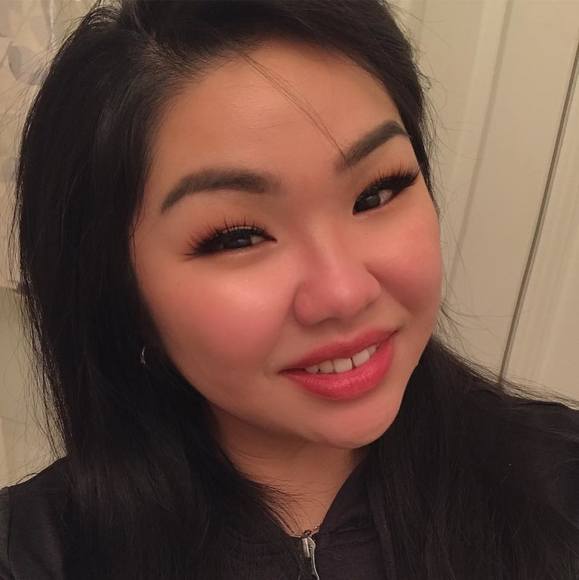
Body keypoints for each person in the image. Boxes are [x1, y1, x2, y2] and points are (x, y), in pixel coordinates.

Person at [1, 0, 578, 578]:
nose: (345, 293)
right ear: (117, 288)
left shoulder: (560, 479)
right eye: (237, 237)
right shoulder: (34, 551)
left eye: (377, 192)